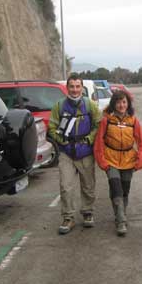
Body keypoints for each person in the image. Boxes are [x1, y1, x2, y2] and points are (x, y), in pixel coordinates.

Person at [48, 74, 102, 235]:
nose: (75, 90)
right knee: (65, 186)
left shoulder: (90, 105)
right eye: (72, 86)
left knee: (88, 185)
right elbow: (52, 127)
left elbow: (99, 125)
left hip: (85, 151)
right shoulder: (59, 106)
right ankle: (68, 217)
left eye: (78, 86)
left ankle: (87, 213)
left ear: (82, 88)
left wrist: (89, 140)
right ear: (67, 87)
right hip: (66, 152)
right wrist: (62, 141)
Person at [94, 90, 142, 236]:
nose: (121, 105)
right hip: (111, 159)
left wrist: (140, 159)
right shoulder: (107, 120)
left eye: (124, 102)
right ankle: (121, 221)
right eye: (118, 102)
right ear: (114, 104)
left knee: (125, 190)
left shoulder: (133, 121)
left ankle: (120, 214)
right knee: (116, 187)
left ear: (128, 104)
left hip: (128, 160)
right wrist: (102, 162)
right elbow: (99, 142)